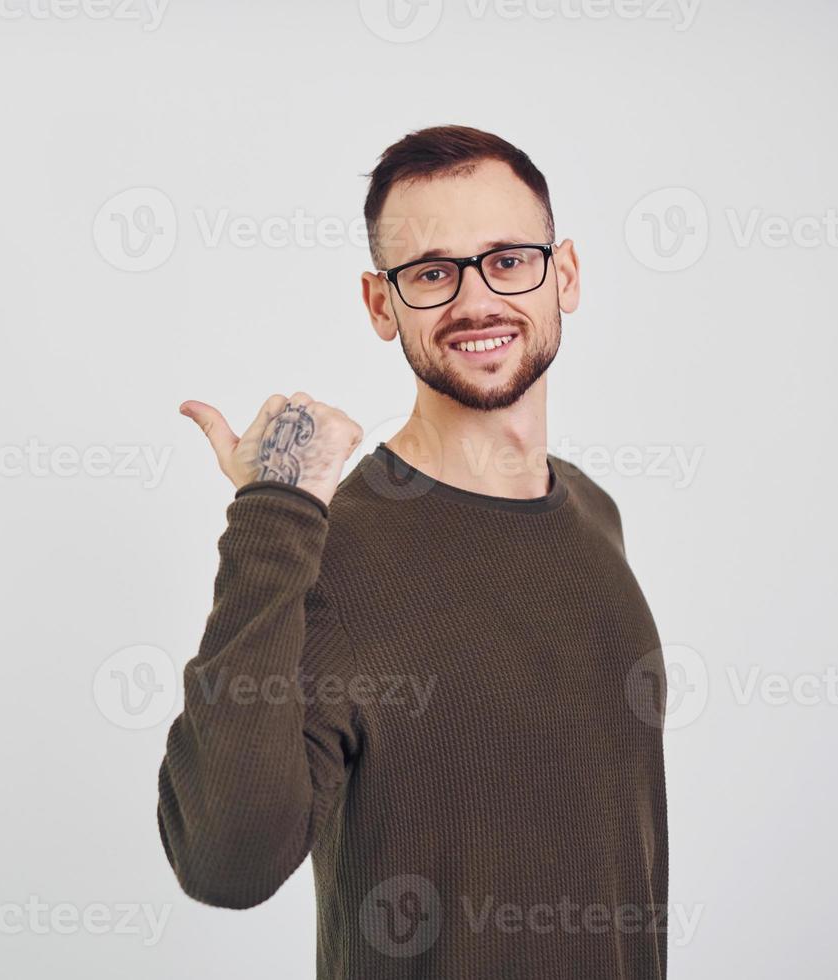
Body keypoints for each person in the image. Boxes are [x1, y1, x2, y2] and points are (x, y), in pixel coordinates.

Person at [156, 124, 669, 979]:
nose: (476, 301)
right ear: (380, 304)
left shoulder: (591, 511)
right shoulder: (326, 550)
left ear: (564, 274)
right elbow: (225, 863)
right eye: (432, 273)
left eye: (509, 259)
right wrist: (271, 510)